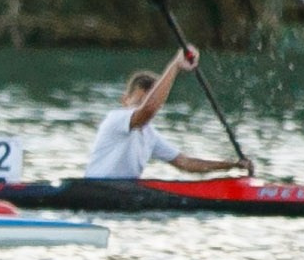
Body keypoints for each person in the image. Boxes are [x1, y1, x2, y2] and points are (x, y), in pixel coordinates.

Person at [83, 49, 249, 180]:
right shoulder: (117, 118)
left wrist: (232, 165)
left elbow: (186, 163)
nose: (141, 108)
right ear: (124, 100)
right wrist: (176, 65)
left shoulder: (150, 135)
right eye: (137, 102)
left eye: (148, 100)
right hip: (95, 190)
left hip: (123, 193)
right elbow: (148, 110)